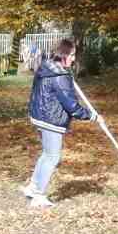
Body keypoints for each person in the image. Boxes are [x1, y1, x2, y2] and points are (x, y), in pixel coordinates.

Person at [24, 37, 96, 208]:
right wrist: (91, 116)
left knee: (46, 154)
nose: (73, 58)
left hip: (40, 116)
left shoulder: (47, 68)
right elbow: (72, 106)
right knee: (53, 156)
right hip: (51, 119)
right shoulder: (60, 76)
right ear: (63, 55)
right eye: (72, 55)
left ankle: (33, 187)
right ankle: (39, 195)